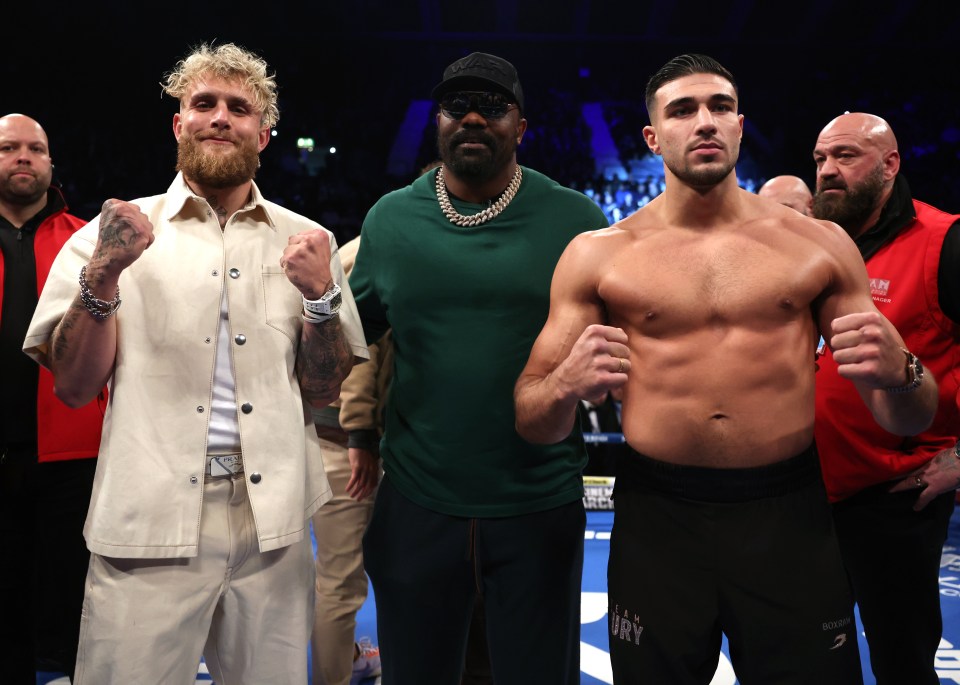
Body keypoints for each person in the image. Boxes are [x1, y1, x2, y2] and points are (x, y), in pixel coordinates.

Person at [513, 53, 938, 685]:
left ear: (741, 125)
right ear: (654, 137)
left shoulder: (818, 244)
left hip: (787, 515)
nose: (705, 122)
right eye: (683, 110)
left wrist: (901, 370)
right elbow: (533, 420)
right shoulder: (598, 256)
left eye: (719, 107)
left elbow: (907, 413)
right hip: (658, 520)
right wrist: (565, 389)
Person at [23, 42, 368, 684]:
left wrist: (322, 299)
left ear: (264, 134)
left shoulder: (307, 241)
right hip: (147, 520)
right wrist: (105, 275)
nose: (219, 117)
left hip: (276, 529)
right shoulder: (109, 236)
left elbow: (323, 390)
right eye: (202, 103)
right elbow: (73, 387)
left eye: (239, 108)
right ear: (177, 123)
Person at [348, 51, 609, 684]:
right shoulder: (390, 218)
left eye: (492, 107)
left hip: (537, 497)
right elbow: (353, 343)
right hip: (418, 499)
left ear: (521, 126)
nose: (471, 117)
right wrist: (357, 432)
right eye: (455, 105)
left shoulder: (576, 222)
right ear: (436, 121)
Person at [811, 112, 960, 685]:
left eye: (846, 156)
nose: (828, 171)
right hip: (803, 495)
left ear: (891, 164)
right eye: (821, 158)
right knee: (811, 658)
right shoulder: (817, 242)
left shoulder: (942, 242)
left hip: (894, 500)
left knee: (901, 661)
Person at [0, 113, 104, 684]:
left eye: (36, 149)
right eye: (9, 148)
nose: (24, 157)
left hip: (72, 452)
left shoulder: (88, 240)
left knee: (67, 596)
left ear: (50, 163)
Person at [310, 233, 388, 685]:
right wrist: (360, 432)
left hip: (343, 435)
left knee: (338, 579)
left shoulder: (354, 247)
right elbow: (363, 348)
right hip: (348, 442)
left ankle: (353, 660)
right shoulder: (381, 246)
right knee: (339, 584)